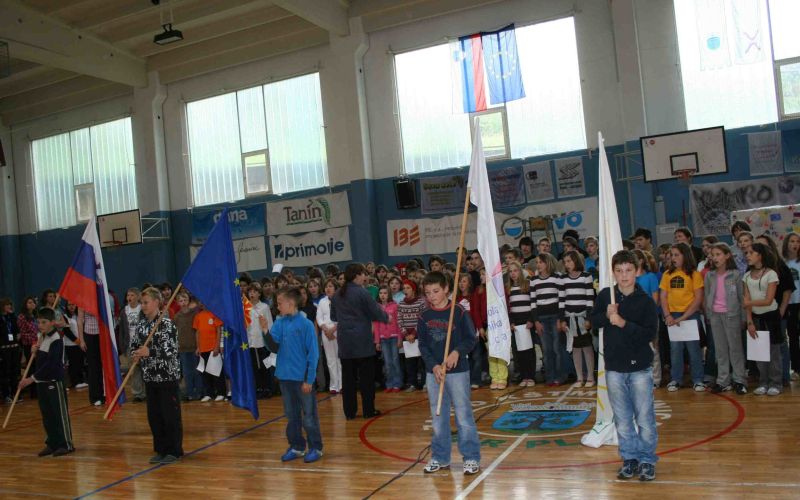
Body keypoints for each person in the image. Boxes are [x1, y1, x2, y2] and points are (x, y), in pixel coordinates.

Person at [590, 250, 658, 482]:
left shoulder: (645, 301)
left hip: (639, 368)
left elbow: (650, 333)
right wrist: (606, 315)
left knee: (645, 418)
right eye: (619, 271)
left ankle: (647, 459)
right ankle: (629, 458)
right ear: (613, 272)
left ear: (636, 271)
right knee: (622, 418)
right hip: (614, 367)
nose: (624, 275)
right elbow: (593, 321)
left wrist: (623, 323)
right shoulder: (605, 296)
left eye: (628, 270)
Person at [417, 271, 480, 476]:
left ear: (446, 289)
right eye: (428, 292)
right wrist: (433, 365)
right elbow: (423, 345)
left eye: (436, 291)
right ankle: (440, 457)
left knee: (463, 415)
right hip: (434, 373)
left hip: (458, 372)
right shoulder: (424, 315)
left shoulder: (459, 311)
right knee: (438, 417)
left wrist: (456, 352)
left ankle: (471, 457)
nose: (432, 296)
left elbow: (471, 338)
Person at [268, 287, 324, 464]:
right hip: (285, 378)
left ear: (291, 303)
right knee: (291, 416)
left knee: (309, 416)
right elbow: (273, 347)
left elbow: (313, 354)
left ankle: (316, 447)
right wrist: (265, 332)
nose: (278, 307)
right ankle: (297, 446)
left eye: (280, 303)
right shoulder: (279, 323)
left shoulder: (306, 325)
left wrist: (309, 379)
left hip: (302, 379)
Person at [131, 287, 183, 464]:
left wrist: (149, 352)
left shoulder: (167, 324)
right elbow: (135, 344)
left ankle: (174, 450)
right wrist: (136, 353)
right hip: (150, 377)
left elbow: (171, 351)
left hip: (167, 377)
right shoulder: (141, 325)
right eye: (142, 303)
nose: (143, 306)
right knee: (154, 416)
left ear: (156, 302)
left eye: (146, 302)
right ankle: (161, 449)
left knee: (170, 416)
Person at [331, 263, 389, 420]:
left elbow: (333, 316)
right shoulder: (362, 292)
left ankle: (349, 412)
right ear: (357, 275)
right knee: (366, 379)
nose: (365, 276)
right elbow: (376, 312)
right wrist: (386, 317)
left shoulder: (337, 294)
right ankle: (368, 410)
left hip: (345, 342)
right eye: (363, 274)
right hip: (362, 341)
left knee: (348, 379)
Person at [17, 307, 74, 457]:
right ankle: (52, 443)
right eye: (39, 322)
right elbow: (41, 361)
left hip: (54, 382)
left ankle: (65, 444)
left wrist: (31, 379)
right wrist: (34, 351)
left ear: (52, 322)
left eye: (44, 322)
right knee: (47, 415)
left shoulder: (56, 339)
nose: (40, 325)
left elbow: (51, 365)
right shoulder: (40, 337)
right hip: (41, 382)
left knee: (58, 414)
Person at [661, 243, 705, 392]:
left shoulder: (694, 275)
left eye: (676, 255)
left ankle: (698, 379)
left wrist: (684, 316)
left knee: (693, 349)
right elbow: (663, 296)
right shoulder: (667, 275)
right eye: (672, 255)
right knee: (675, 349)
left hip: (690, 315)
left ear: (685, 256)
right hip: (673, 316)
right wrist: (667, 315)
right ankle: (676, 379)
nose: (673, 258)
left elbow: (698, 298)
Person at [704, 243, 747, 395]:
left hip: (732, 315)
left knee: (735, 349)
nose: (715, 258)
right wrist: (708, 314)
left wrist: (743, 318)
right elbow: (707, 295)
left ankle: (739, 380)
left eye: (718, 254)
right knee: (720, 350)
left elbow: (741, 298)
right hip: (715, 315)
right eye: (713, 255)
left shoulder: (735, 275)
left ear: (727, 255)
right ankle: (723, 380)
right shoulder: (710, 275)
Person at [743, 243, 783, 395]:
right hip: (755, 317)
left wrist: (748, 303)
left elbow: (768, 300)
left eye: (751, 252)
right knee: (759, 352)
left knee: (773, 352)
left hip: (771, 317)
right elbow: (746, 301)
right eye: (746, 253)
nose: (747, 255)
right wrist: (749, 322)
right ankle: (763, 382)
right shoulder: (746, 276)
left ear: (760, 255)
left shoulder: (771, 274)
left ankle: (776, 383)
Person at [530, 253, 566, 386]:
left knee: (557, 349)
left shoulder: (557, 277)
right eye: (537, 262)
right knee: (547, 350)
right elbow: (533, 302)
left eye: (541, 262)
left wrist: (560, 319)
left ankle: (560, 376)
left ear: (548, 263)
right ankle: (550, 377)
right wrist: (536, 321)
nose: (538, 265)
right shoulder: (534, 280)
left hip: (555, 317)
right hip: (542, 319)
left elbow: (561, 300)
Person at [561, 251, 596, 387]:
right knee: (575, 348)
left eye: (569, 261)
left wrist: (588, 318)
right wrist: (563, 320)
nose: (567, 264)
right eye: (565, 262)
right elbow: (562, 301)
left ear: (576, 261)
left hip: (582, 317)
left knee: (587, 346)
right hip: (570, 318)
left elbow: (590, 299)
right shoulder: (563, 279)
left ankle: (590, 377)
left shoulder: (586, 277)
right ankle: (580, 377)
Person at [633, 250, 662, 388]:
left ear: (641, 261)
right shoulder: (629, 278)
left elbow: (655, 300)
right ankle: (639, 378)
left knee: (653, 349)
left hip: (649, 319)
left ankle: (655, 379)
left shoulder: (651, 277)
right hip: (634, 320)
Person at [506, 262, 536, 388]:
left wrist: (531, 320)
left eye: (515, 270)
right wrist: (511, 322)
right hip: (516, 324)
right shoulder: (508, 288)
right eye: (511, 271)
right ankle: (524, 376)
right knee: (519, 352)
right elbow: (509, 308)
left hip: (527, 323)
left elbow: (533, 303)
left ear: (520, 271)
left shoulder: (527, 285)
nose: (513, 273)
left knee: (529, 351)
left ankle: (531, 376)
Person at [398, 279, 427, 392]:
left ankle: (425, 383)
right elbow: (399, 320)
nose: (405, 290)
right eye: (404, 288)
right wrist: (405, 334)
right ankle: (412, 383)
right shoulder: (401, 304)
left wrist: (414, 333)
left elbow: (422, 319)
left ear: (413, 290)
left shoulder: (421, 302)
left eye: (408, 288)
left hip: (420, 335)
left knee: (423, 360)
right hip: (407, 336)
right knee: (410, 362)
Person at [173, 292, 202, 401]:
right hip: (183, 349)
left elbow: (197, 331)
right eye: (181, 301)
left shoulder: (194, 314)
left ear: (188, 301)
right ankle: (190, 393)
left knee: (197, 371)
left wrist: (199, 346)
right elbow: (175, 333)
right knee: (187, 372)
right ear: (178, 303)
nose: (183, 303)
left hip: (194, 348)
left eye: (185, 300)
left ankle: (199, 392)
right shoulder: (177, 317)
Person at [193, 304, 225, 402]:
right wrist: (198, 347)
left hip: (213, 348)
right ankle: (208, 393)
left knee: (216, 372)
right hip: (203, 349)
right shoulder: (198, 316)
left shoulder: (214, 314)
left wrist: (217, 346)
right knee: (205, 373)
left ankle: (221, 393)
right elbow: (197, 332)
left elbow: (219, 331)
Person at [247, 284, 274, 398]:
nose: (252, 294)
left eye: (254, 291)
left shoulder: (264, 307)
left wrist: (269, 339)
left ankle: (268, 388)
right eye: (250, 292)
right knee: (254, 367)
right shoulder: (245, 307)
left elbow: (270, 323)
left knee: (265, 365)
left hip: (263, 342)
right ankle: (258, 388)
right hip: (251, 342)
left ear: (259, 293)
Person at [374, 285, 403, 392]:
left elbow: (399, 323)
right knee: (387, 362)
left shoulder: (395, 306)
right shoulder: (376, 308)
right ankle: (389, 384)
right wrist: (377, 341)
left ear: (389, 294)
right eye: (381, 293)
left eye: (385, 293)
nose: (383, 295)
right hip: (383, 339)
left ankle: (397, 384)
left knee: (395, 361)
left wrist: (400, 338)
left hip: (394, 337)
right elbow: (376, 325)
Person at [119, 288, 145, 402]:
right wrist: (122, 345)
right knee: (134, 369)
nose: (129, 297)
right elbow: (122, 330)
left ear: (138, 297)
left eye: (132, 295)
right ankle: (137, 393)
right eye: (128, 295)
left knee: (145, 368)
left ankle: (147, 391)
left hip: (142, 344)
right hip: (130, 345)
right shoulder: (124, 311)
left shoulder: (142, 309)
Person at [316, 279, 342, 395]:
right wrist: (325, 329)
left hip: (338, 331)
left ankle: (342, 385)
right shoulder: (322, 301)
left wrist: (333, 329)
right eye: (326, 286)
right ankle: (333, 386)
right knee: (330, 360)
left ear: (335, 288)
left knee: (340, 359)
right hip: (326, 333)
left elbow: (342, 316)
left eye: (330, 286)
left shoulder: (341, 300)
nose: (328, 288)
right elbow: (319, 317)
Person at [782, 232, 800, 380]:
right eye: (792, 241)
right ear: (786, 244)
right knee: (793, 336)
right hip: (790, 304)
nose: (795, 244)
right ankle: (796, 368)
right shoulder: (783, 264)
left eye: (797, 241)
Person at [61, 302, 87, 390]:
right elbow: (67, 331)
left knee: (80, 362)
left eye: (73, 305)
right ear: (66, 306)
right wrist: (77, 341)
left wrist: (82, 341)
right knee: (73, 363)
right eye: (69, 305)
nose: (71, 307)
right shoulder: (65, 316)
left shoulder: (78, 316)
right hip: (71, 344)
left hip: (81, 343)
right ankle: (75, 381)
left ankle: (81, 380)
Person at [0, 298, 21, 403]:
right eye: (7, 305)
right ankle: (6, 395)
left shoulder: (12, 317)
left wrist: (12, 315)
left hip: (14, 347)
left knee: (14, 371)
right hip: (3, 348)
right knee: (5, 372)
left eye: (10, 304)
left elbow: (16, 329)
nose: (9, 306)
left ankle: (14, 393)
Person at [17, 296, 38, 399]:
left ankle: (39, 388)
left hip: (38, 343)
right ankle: (33, 392)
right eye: (29, 302)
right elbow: (23, 333)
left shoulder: (35, 315)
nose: (32, 304)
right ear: (25, 304)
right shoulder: (22, 317)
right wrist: (34, 338)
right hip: (29, 344)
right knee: (31, 367)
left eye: (33, 302)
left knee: (38, 366)